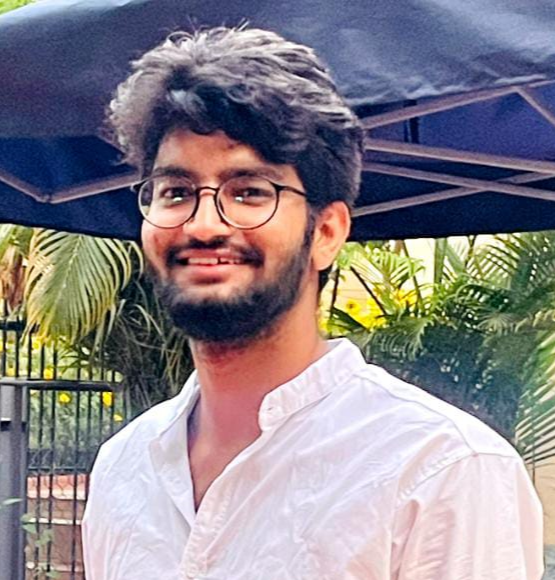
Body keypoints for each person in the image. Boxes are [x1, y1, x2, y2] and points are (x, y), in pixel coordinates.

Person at [82, 27, 543, 580]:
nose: (203, 225)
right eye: (175, 192)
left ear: (326, 232)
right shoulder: (124, 469)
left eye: (249, 192)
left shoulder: (439, 469)